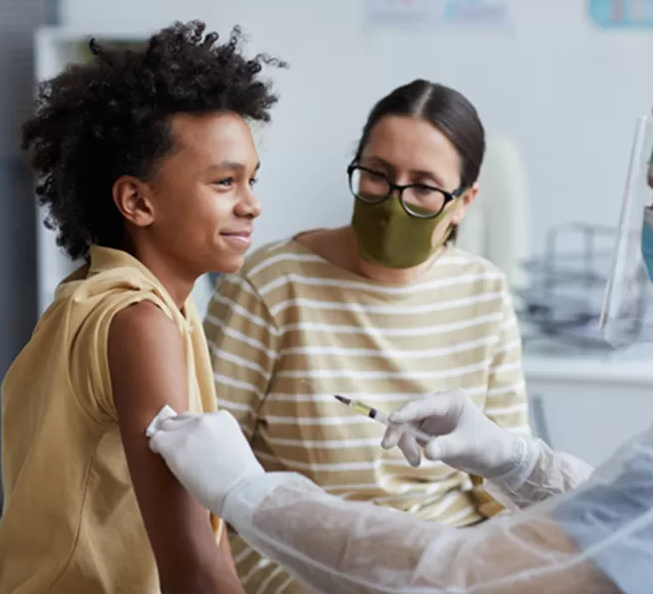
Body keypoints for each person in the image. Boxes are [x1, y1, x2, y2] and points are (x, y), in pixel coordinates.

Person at [149, 51, 653, 593]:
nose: (652, 226)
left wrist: (246, 490)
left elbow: (464, 575)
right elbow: (634, 516)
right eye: (376, 174)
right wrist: (513, 459)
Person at [0, 21, 284, 594]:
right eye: (224, 182)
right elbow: (191, 567)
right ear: (137, 201)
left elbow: (198, 533)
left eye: (251, 180)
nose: (253, 205)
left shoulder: (111, 293)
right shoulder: (138, 323)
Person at [203, 79, 532, 592]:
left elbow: (502, 487)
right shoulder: (270, 286)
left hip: (447, 561)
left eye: (424, 187)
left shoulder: (483, 293)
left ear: (464, 202)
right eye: (378, 175)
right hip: (301, 559)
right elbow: (207, 470)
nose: (394, 201)